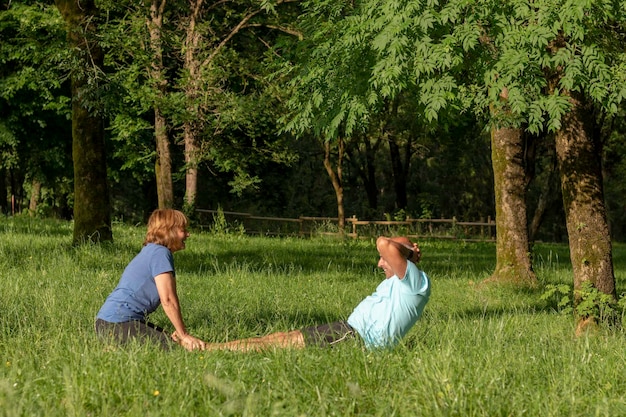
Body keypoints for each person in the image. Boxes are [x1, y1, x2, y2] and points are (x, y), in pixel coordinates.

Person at [196, 236, 430, 351]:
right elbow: (385, 247)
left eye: (385, 260)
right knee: (279, 337)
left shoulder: (414, 282)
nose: (380, 264)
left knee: (280, 344)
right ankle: (213, 347)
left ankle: (210, 349)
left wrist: (408, 251)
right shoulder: (398, 281)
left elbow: (383, 242)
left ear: (402, 258)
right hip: (346, 330)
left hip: (355, 339)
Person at [95, 209, 205, 351]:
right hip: (117, 324)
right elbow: (168, 299)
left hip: (108, 323)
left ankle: (113, 347)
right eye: (183, 230)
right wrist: (184, 334)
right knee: (179, 350)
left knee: (174, 343)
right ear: (169, 231)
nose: (188, 234)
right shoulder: (160, 253)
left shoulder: (152, 250)